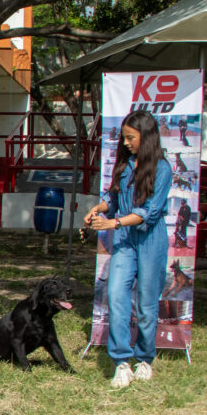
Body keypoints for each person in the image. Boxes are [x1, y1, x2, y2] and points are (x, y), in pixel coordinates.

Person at [84, 109, 172, 388]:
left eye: (130, 138)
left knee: (146, 304)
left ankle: (144, 359)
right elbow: (113, 197)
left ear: (146, 137)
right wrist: (98, 208)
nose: (125, 143)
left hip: (149, 240)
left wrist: (112, 224)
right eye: (123, 138)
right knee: (116, 297)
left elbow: (150, 212)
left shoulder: (163, 169)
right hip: (124, 241)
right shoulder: (124, 166)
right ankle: (122, 361)